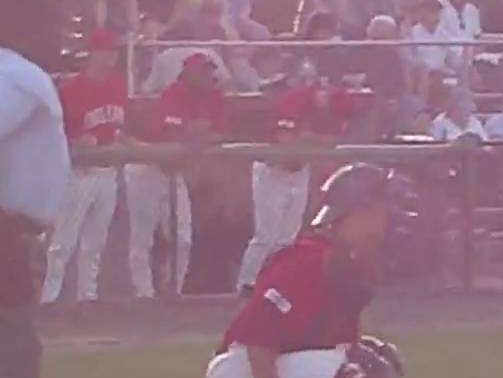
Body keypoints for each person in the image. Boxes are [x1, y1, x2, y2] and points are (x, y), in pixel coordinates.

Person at [206, 164, 449, 378]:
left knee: (377, 358)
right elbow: (256, 332)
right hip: (242, 370)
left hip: (272, 365)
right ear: (355, 214)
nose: (386, 224)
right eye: (379, 212)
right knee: (361, 375)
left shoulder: (346, 264)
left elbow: (349, 349)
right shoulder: (307, 259)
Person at [0, 17, 71, 378]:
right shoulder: (16, 75)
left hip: (10, 233)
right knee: (14, 356)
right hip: (4, 233)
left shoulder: (16, 74)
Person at [235, 59, 356, 298]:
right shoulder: (297, 99)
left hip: (298, 170)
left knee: (288, 237)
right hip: (272, 169)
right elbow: (286, 140)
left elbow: (329, 142)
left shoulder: (337, 105)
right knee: (266, 236)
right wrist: (312, 139)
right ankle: (246, 285)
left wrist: (311, 138)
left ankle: (277, 285)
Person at [126, 52, 229, 301]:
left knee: (182, 239)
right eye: (201, 72)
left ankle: (174, 291)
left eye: (208, 71)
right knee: (143, 238)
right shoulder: (174, 93)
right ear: (188, 74)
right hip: (147, 167)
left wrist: (193, 134)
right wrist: (196, 135)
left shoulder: (215, 96)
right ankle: (145, 295)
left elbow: (221, 133)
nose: (207, 76)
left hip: (175, 171)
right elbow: (174, 137)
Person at [41, 29, 129, 307]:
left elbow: (120, 127)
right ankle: (48, 298)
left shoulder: (118, 84)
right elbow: (51, 134)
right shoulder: (70, 90)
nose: (111, 56)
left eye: (114, 51)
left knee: (95, 240)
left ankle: (86, 296)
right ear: (93, 53)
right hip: (78, 173)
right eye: (106, 51)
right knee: (62, 242)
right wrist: (75, 140)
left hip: (107, 172)